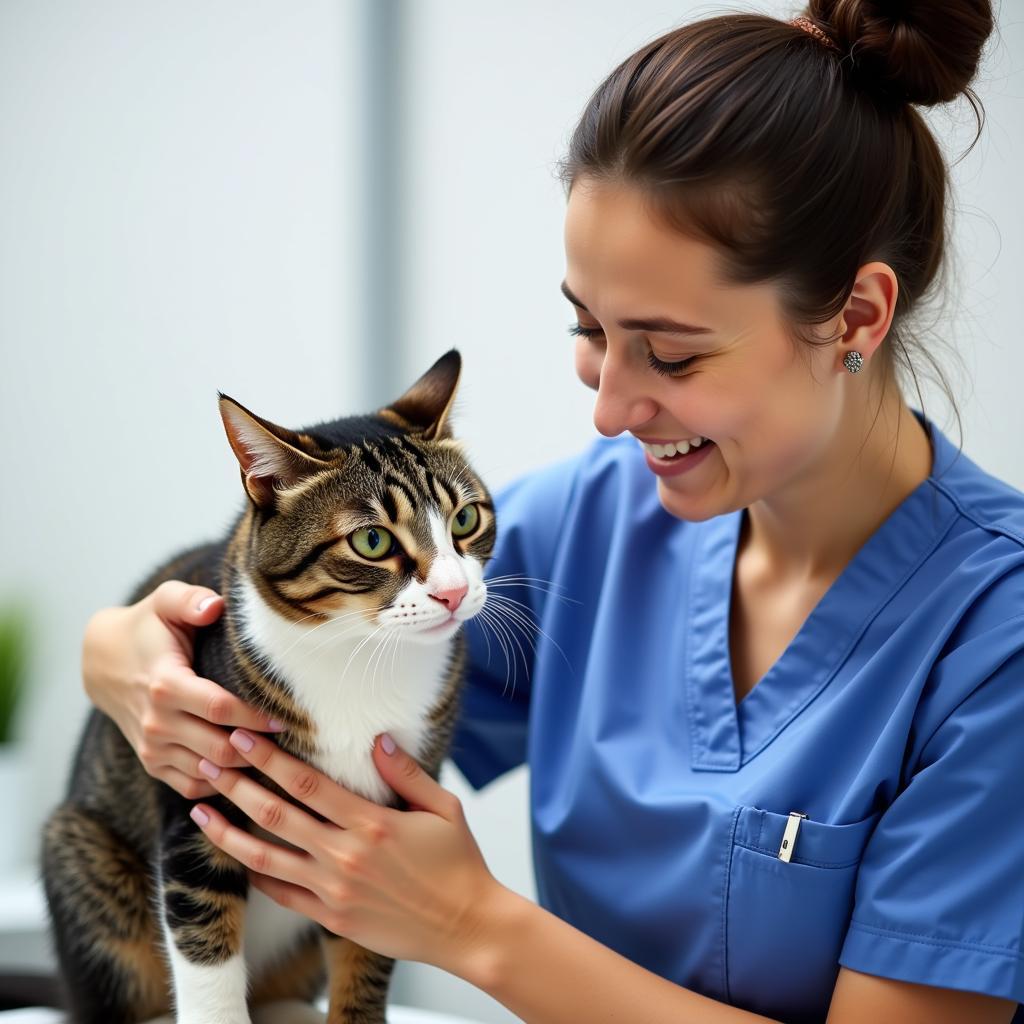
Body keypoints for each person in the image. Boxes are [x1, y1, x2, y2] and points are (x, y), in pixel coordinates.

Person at [78, 4, 1024, 1023]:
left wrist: (471, 925)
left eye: (669, 352)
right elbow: (300, 666)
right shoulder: (597, 520)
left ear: (856, 316)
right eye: (587, 329)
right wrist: (126, 657)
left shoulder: (993, 639)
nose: (609, 409)